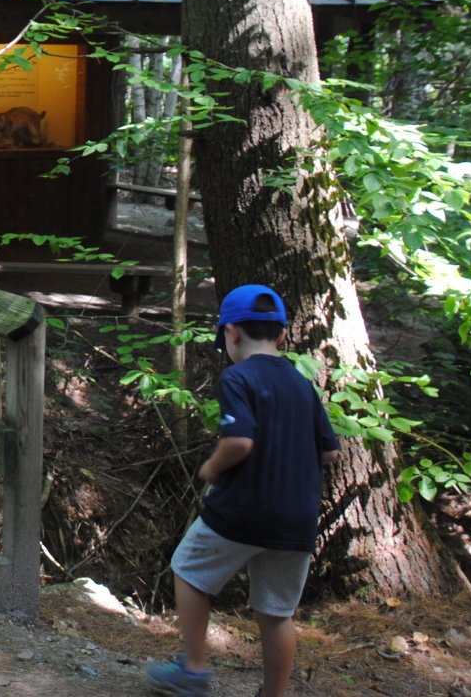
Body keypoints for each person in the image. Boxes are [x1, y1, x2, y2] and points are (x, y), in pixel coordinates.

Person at [145, 284, 342, 697]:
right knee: (276, 612)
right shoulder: (302, 384)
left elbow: (239, 442)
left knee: (190, 570)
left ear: (231, 333)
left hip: (243, 507)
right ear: (283, 336)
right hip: (297, 518)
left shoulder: (238, 377)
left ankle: (193, 670)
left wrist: (211, 469)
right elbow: (330, 452)